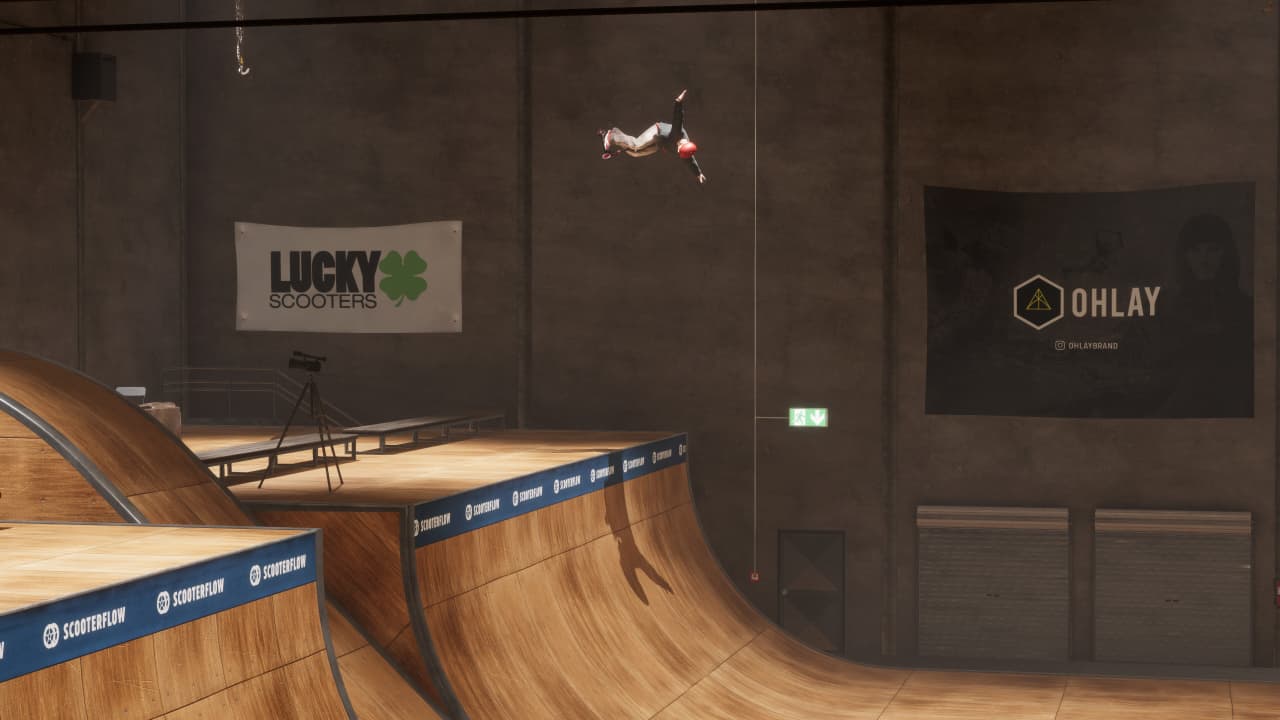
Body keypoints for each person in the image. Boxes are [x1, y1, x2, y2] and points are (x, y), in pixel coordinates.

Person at [600, 89, 706, 184]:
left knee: (636, 153)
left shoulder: (685, 152)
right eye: (679, 148)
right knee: (636, 144)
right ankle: (610, 136)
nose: (677, 150)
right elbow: (678, 118)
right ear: (683, 142)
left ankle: (617, 133)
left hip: (661, 143)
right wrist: (678, 102)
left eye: (679, 151)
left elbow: (691, 162)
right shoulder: (678, 132)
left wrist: (699, 174)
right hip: (657, 131)